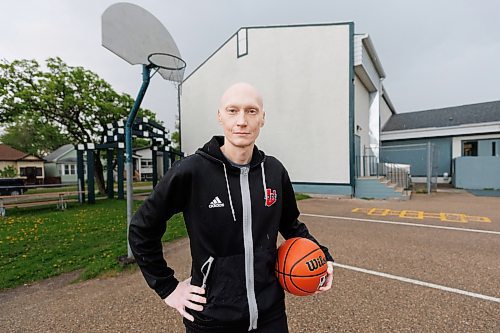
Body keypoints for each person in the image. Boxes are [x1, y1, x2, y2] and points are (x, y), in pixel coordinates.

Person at [129, 82, 334, 333]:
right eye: (232, 110)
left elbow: (292, 225)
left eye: (251, 111)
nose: (242, 121)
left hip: (270, 315)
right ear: (219, 116)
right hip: (211, 317)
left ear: (262, 118)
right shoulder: (192, 171)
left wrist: (322, 257)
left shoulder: (274, 171)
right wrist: (167, 288)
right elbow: (142, 228)